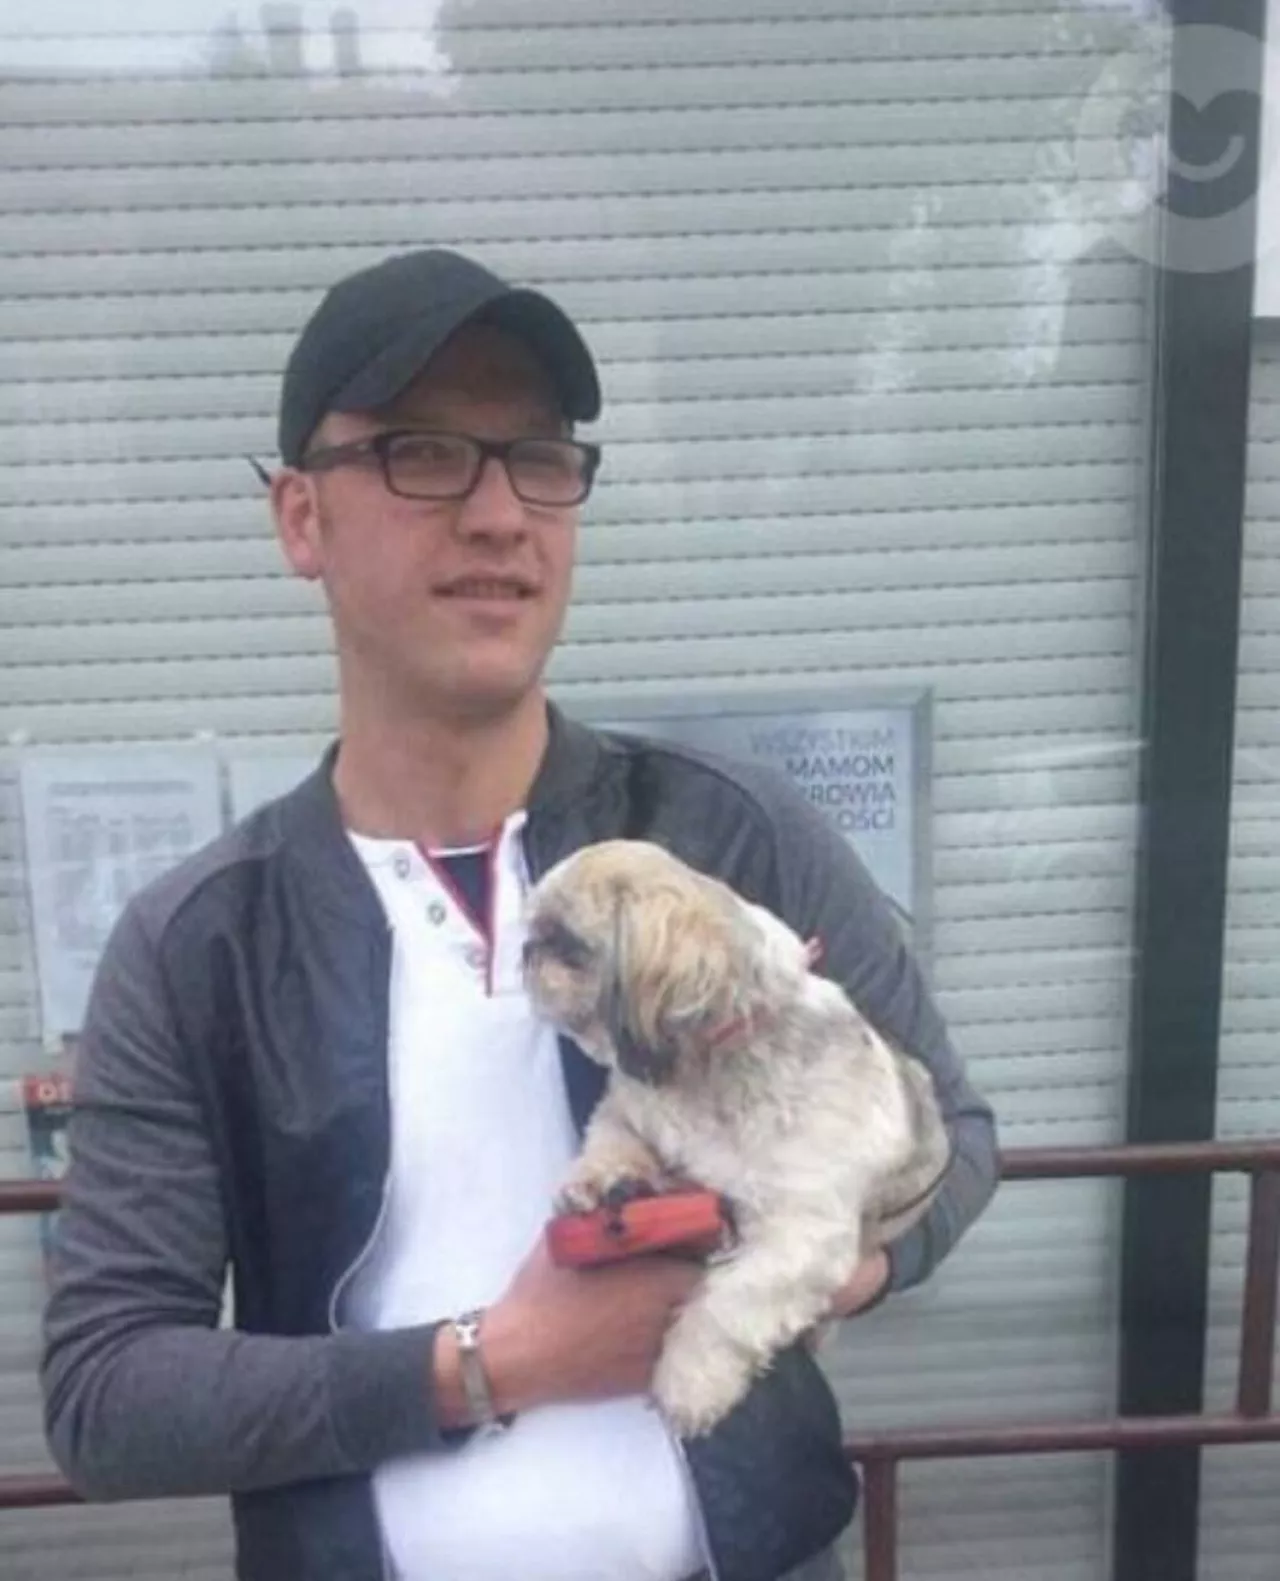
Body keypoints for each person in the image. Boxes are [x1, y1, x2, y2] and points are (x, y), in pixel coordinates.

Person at [40, 247, 1000, 1581]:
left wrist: (829, 1265)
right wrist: (488, 1365)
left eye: (539, 458)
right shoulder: (201, 942)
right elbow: (109, 1397)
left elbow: (956, 1140)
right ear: (301, 520)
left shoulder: (733, 835)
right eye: (424, 455)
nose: (500, 515)